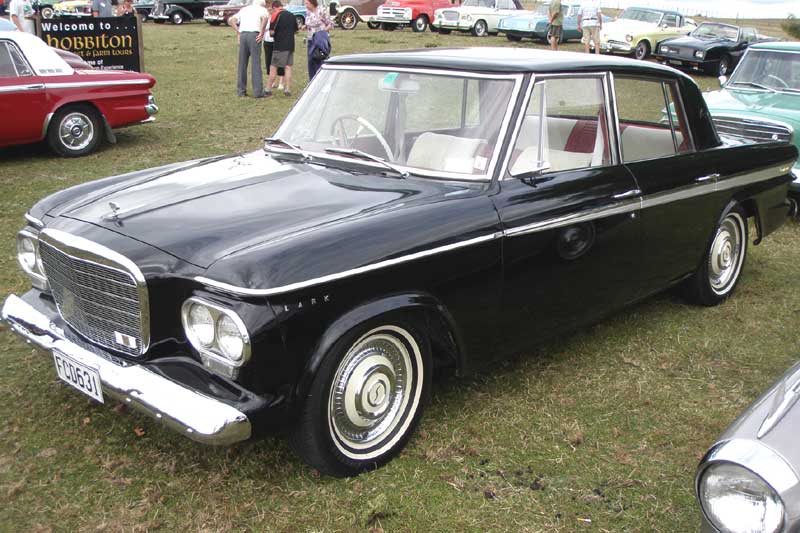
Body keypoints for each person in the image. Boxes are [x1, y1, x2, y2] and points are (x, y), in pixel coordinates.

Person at [230, 0, 269, 98]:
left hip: (243, 35)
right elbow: (265, 18)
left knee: (242, 63)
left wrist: (238, 31)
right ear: (262, 3)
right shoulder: (262, 10)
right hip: (254, 35)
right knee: (256, 63)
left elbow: (231, 20)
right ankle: (258, 92)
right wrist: (262, 32)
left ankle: (241, 91)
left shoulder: (244, 9)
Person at [266, 0, 297, 97]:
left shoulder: (275, 15)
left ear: (275, 7)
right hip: (291, 45)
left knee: (273, 67)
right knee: (288, 67)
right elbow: (296, 30)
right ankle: (287, 89)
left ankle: (268, 89)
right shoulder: (292, 15)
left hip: (280, 46)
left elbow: (271, 32)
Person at [303, 0, 331, 80]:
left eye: (307, 3)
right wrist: (305, 26)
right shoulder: (307, 12)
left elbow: (330, 24)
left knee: (320, 59)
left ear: (312, 3)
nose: (306, 5)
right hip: (311, 40)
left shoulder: (321, 10)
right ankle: (312, 80)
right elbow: (308, 23)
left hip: (320, 40)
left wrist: (323, 32)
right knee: (311, 61)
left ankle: (322, 79)